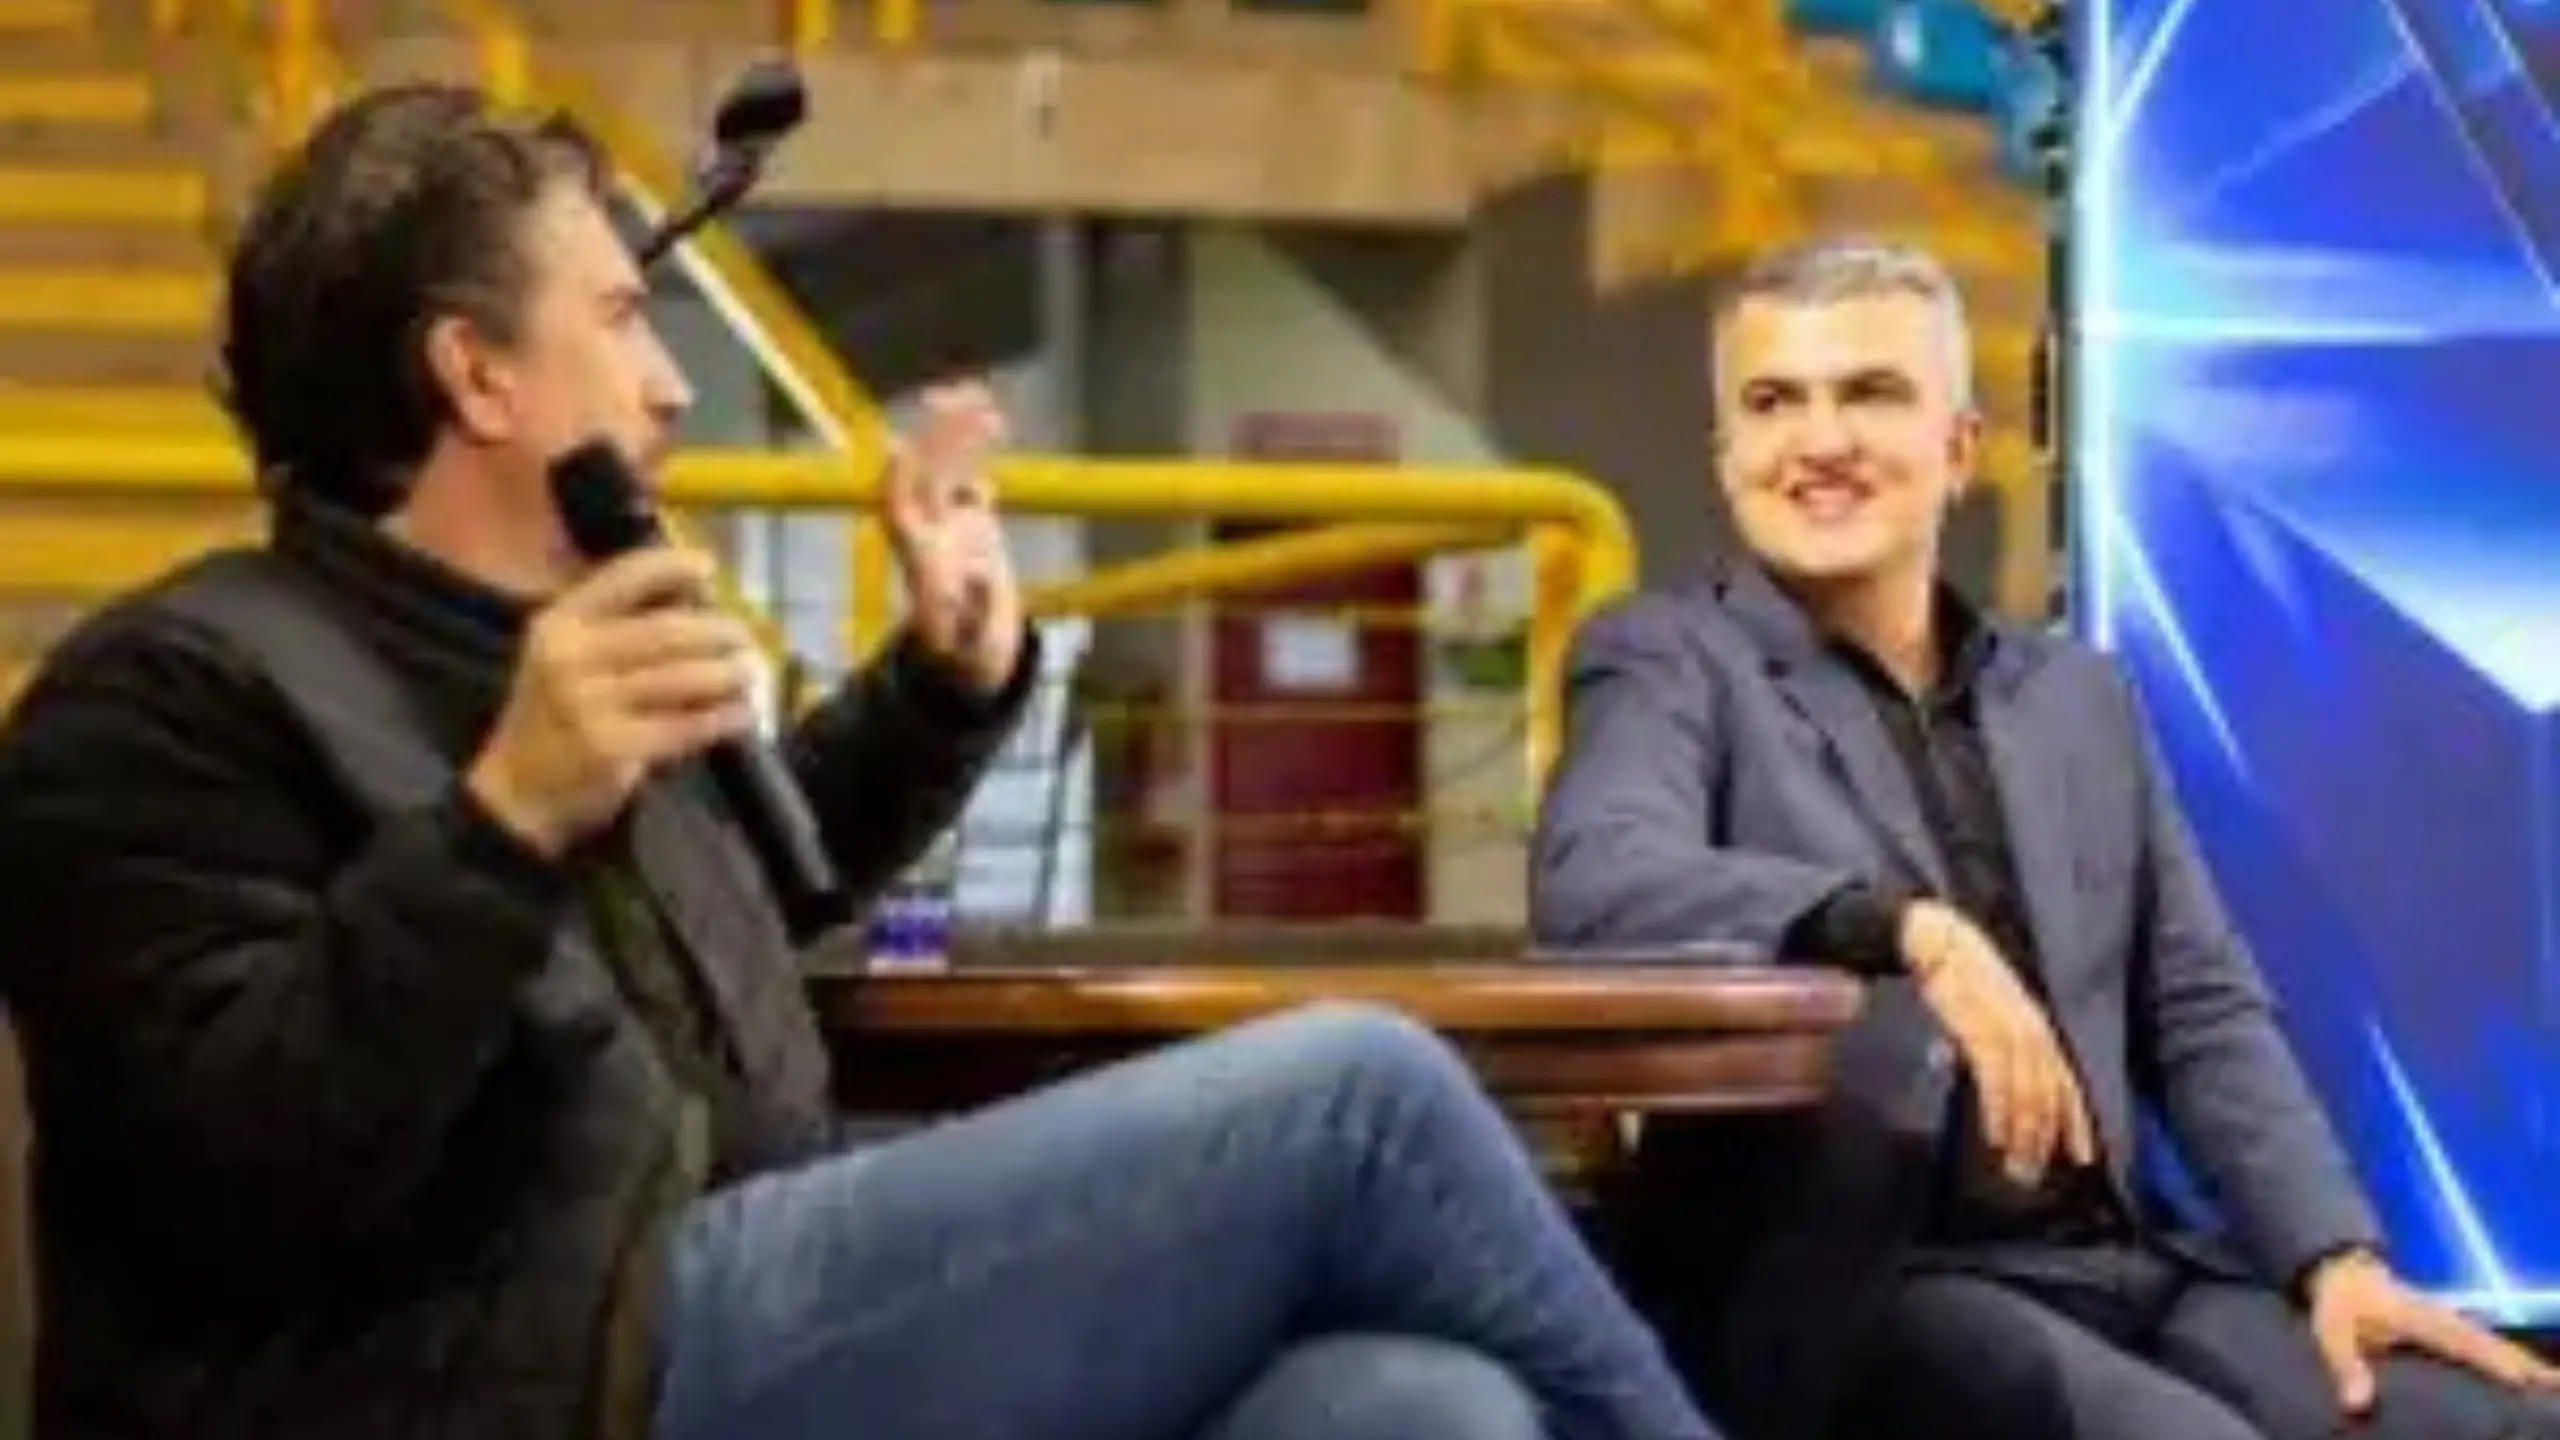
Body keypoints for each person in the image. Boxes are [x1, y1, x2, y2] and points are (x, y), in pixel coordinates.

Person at [0, 83, 1724, 1440]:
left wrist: (943, 682)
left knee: (1421, 1410)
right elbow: (236, 1170)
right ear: (477, 375)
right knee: (1364, 1096)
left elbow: (763, 882)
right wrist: (502, 823)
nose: (670, 387)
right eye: (624, 318)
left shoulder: (560, 647)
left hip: (753, 1270)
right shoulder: (161, 698)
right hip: (527, 1369)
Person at [1529, 235, 2560, 1440]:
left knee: (2505, 1425)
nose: (1818, 440)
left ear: (1959, 447)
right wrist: (1904, 932)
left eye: (1869, 392)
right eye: (1771, 402)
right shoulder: (1664, 658)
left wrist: (2332, 1258)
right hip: (1872, 1287)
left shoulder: (2077, 697)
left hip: (2119, 1263)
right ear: (1725, 458)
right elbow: (1595, 881)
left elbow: (2198, 1009)